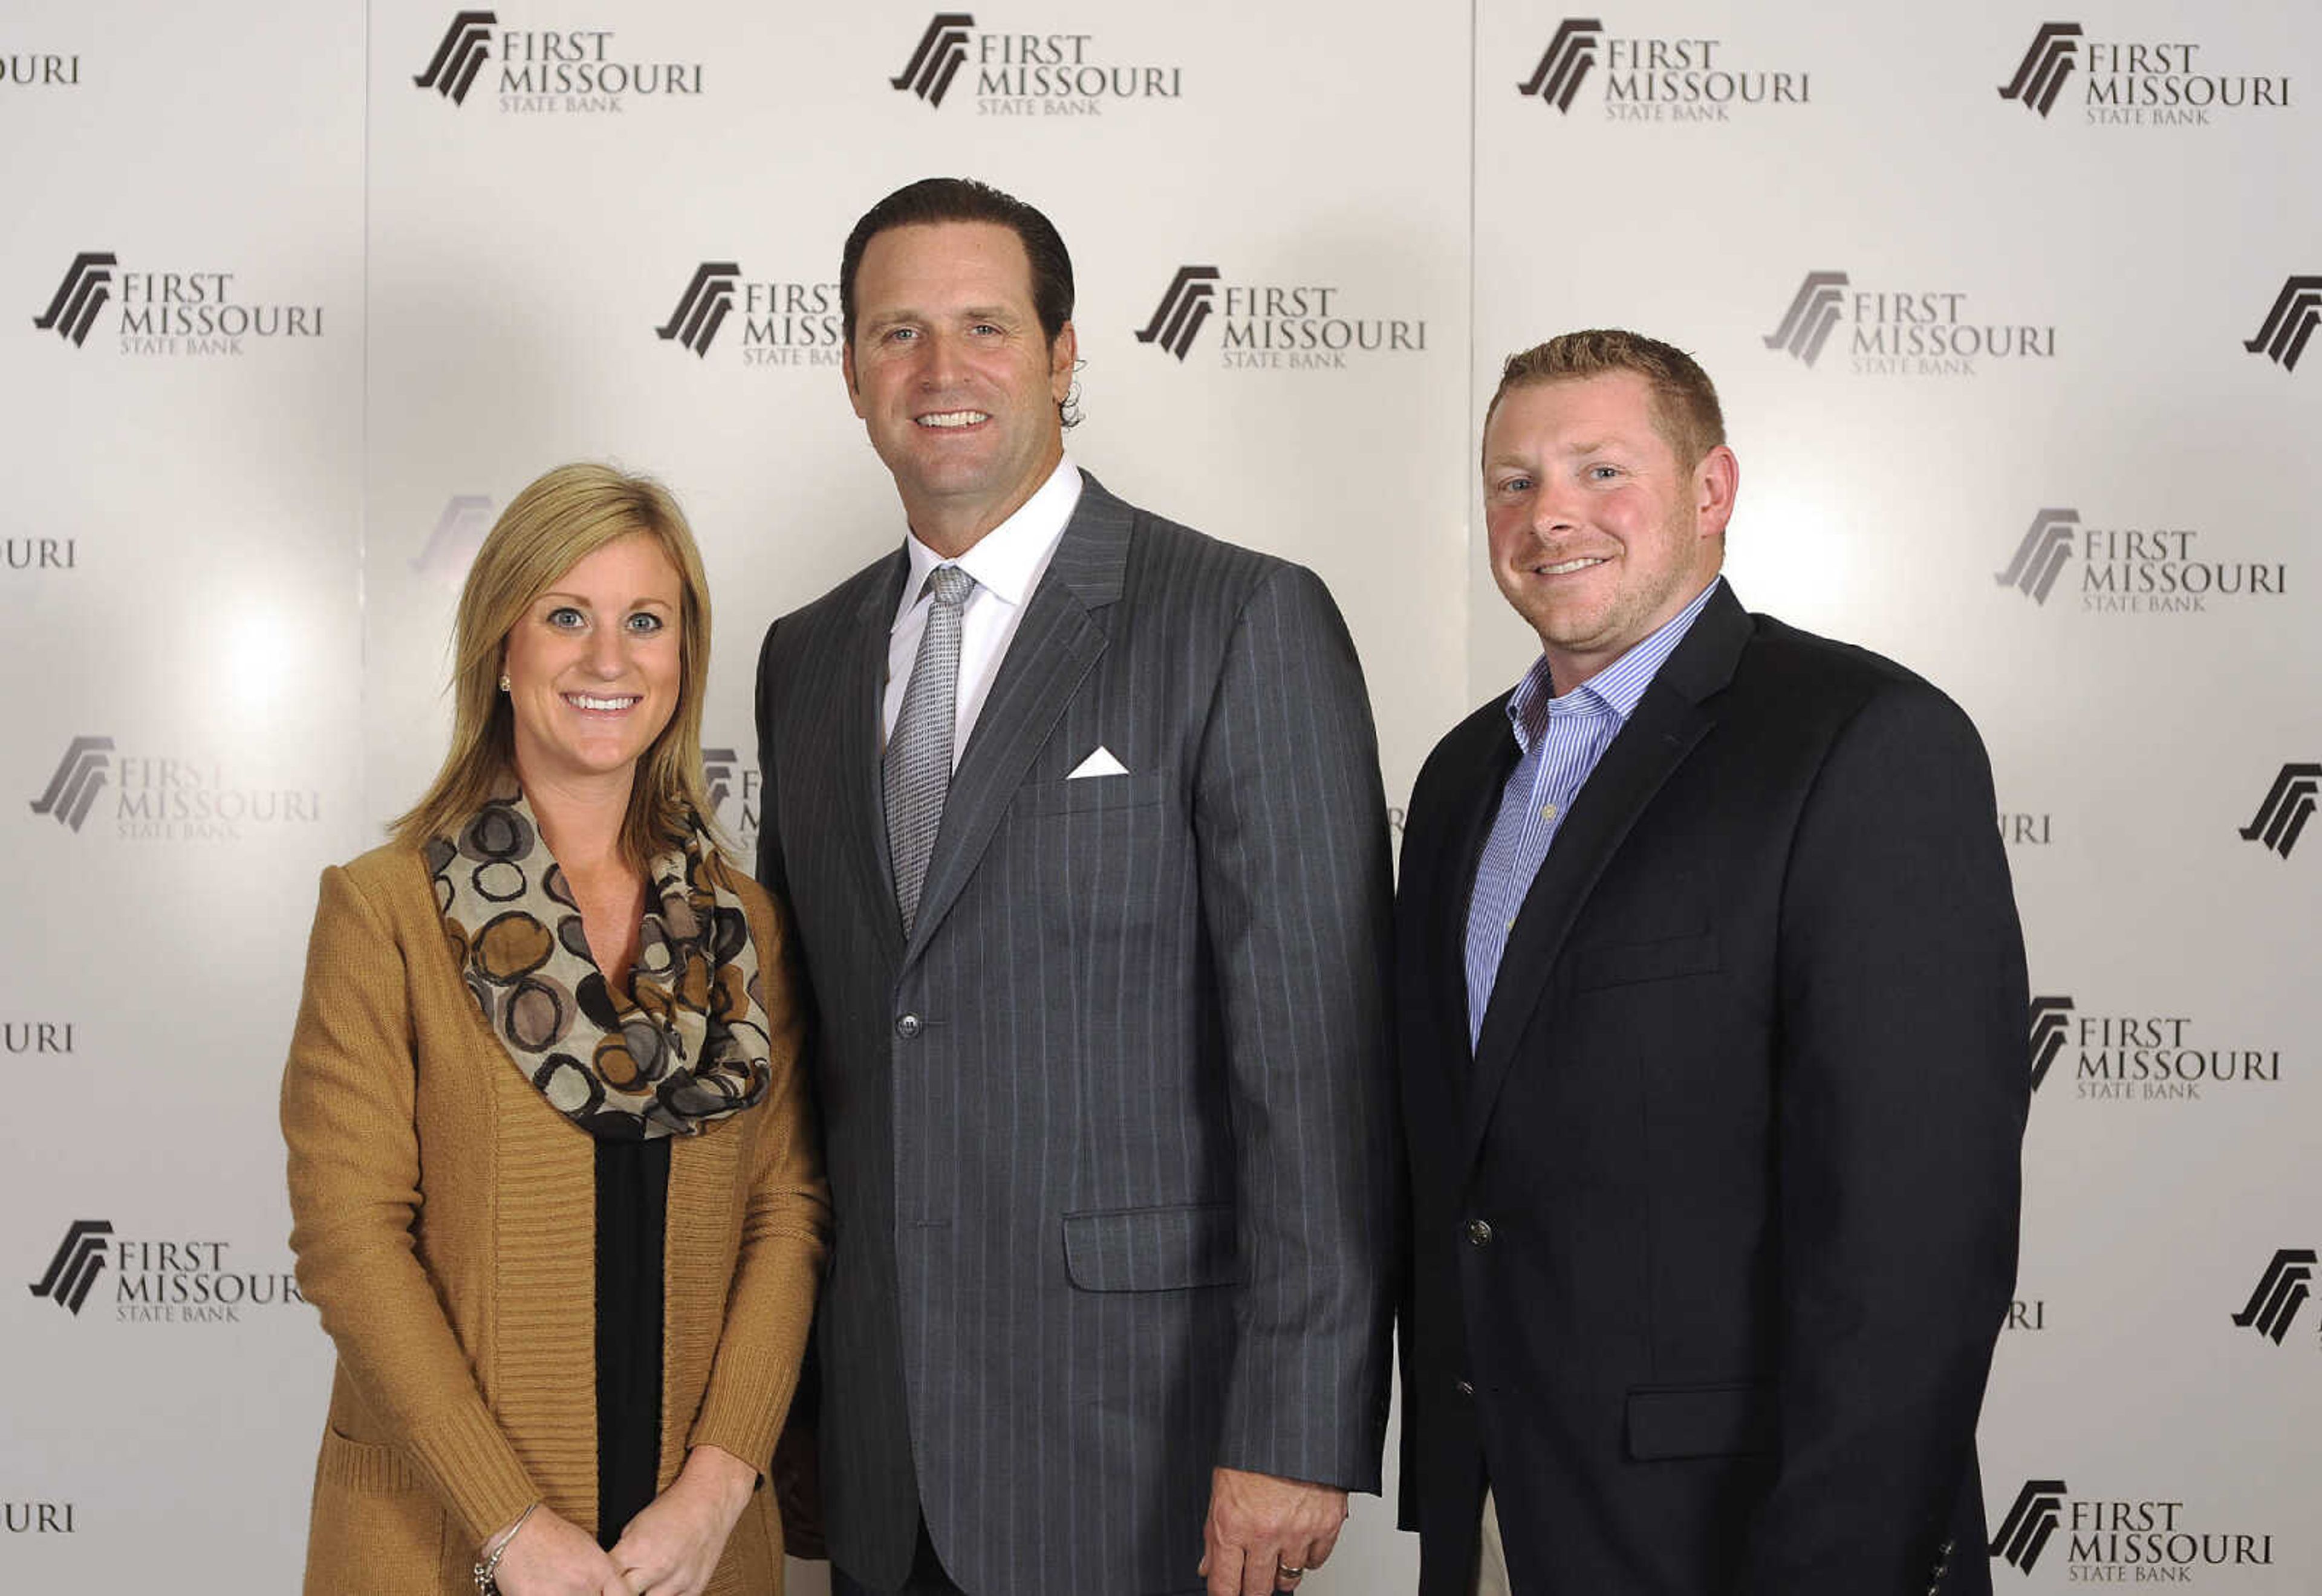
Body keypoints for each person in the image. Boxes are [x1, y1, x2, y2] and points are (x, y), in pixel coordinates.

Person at [753, 177, 1397, 1596]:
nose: (941, 371)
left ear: (1062, 356)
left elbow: (1316, 1068)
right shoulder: (803, 658)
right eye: (897, 331)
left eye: (986, 326)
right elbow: (818, 1063)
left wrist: (1296, 1424)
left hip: (1144, 1450)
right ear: (852, 369)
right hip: (879, 1454)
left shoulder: (1236, 619)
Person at [1394, 330, 2028, 1596]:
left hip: (1749, 1538)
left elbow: (1913, 1244)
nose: (1549, 515)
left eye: (1599, 471)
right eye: (1512, 482)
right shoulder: (1464, 776)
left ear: (1711, 491)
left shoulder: (1866, 744)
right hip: (1500, 1520)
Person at [282, 464, 828, 1595]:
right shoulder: (383, 910)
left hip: (696, 1551)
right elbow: (352, 1237)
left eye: (646, 621)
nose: (607, 659)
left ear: (685, 658)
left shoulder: (743, 926)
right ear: (501, 648)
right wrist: (509, 1526)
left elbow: (788, 1211)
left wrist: (721, 1485)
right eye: (566, 616)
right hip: (450, 1544)